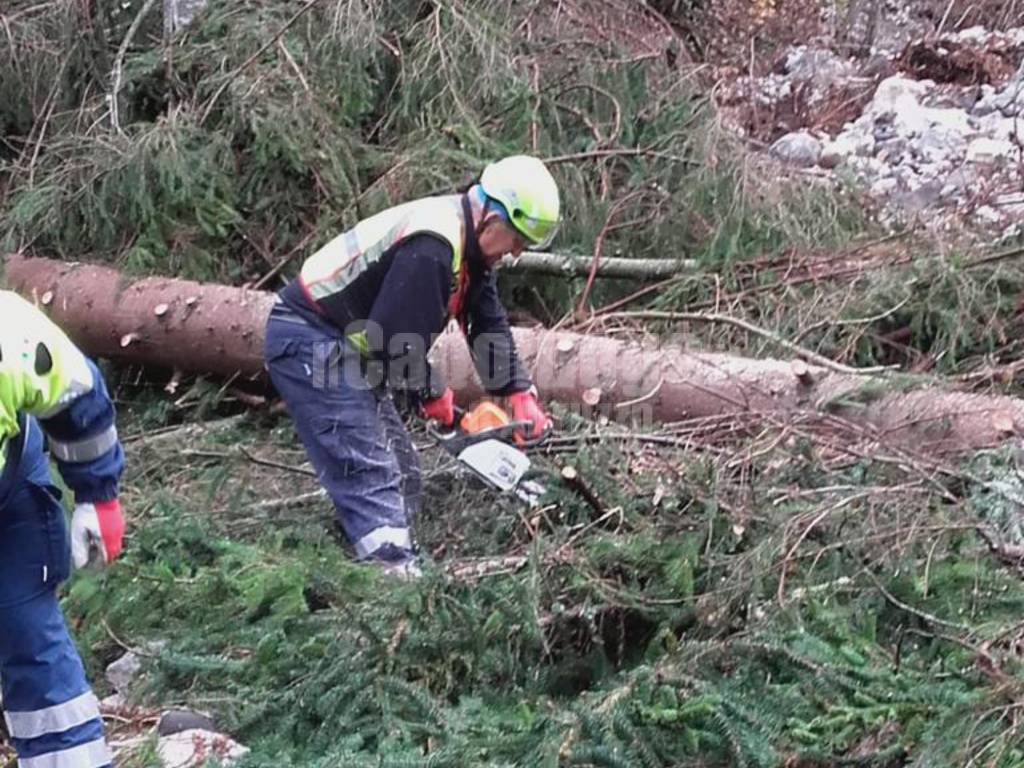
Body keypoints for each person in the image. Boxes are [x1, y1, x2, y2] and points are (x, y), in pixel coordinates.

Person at [264, 155, 560, 576]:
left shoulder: (469, 249)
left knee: (403, 471)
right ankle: (393, 582)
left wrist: (517, 392)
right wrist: (434, 395)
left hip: (349, 348)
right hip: (312, 338)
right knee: (372, 471)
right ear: (492, 217)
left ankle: (356, 572)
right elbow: (391, 339)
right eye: (517, 239)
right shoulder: (434, 244)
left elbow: (486, 321)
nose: (515, 252)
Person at [0, 291, 126, 767]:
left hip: (8, 497)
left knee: (29, 638)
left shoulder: (12, 339)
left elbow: (80, 398)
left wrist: (99, 497)